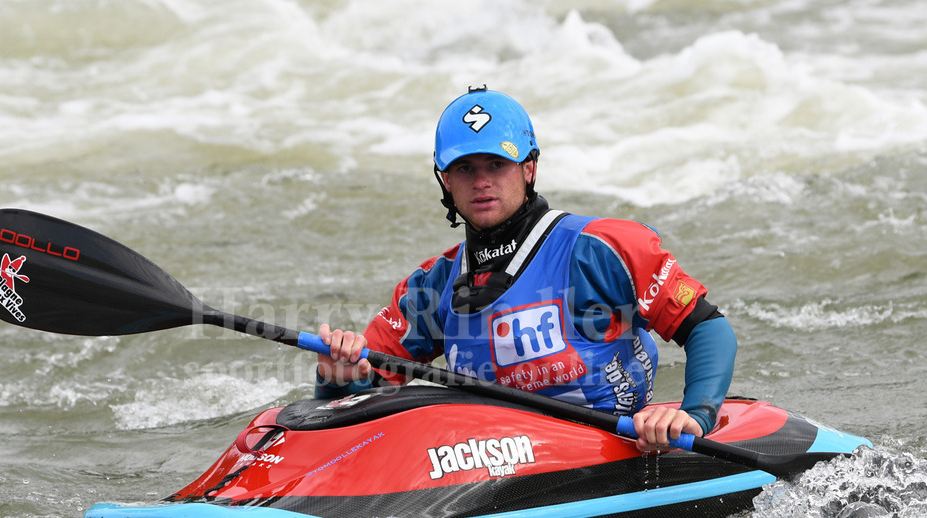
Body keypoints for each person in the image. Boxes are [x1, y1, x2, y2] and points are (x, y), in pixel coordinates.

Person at [315, 86, 737, 452]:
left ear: (529, 169)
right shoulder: (432, 284)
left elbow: (707, 327)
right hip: (497, 458)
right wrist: (339, 377)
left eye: (496, 164)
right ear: (445, 181)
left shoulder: (600, 248)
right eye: (465, 168)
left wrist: (693, 415)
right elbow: (357, 403)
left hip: (614, 445)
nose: (481, 181)